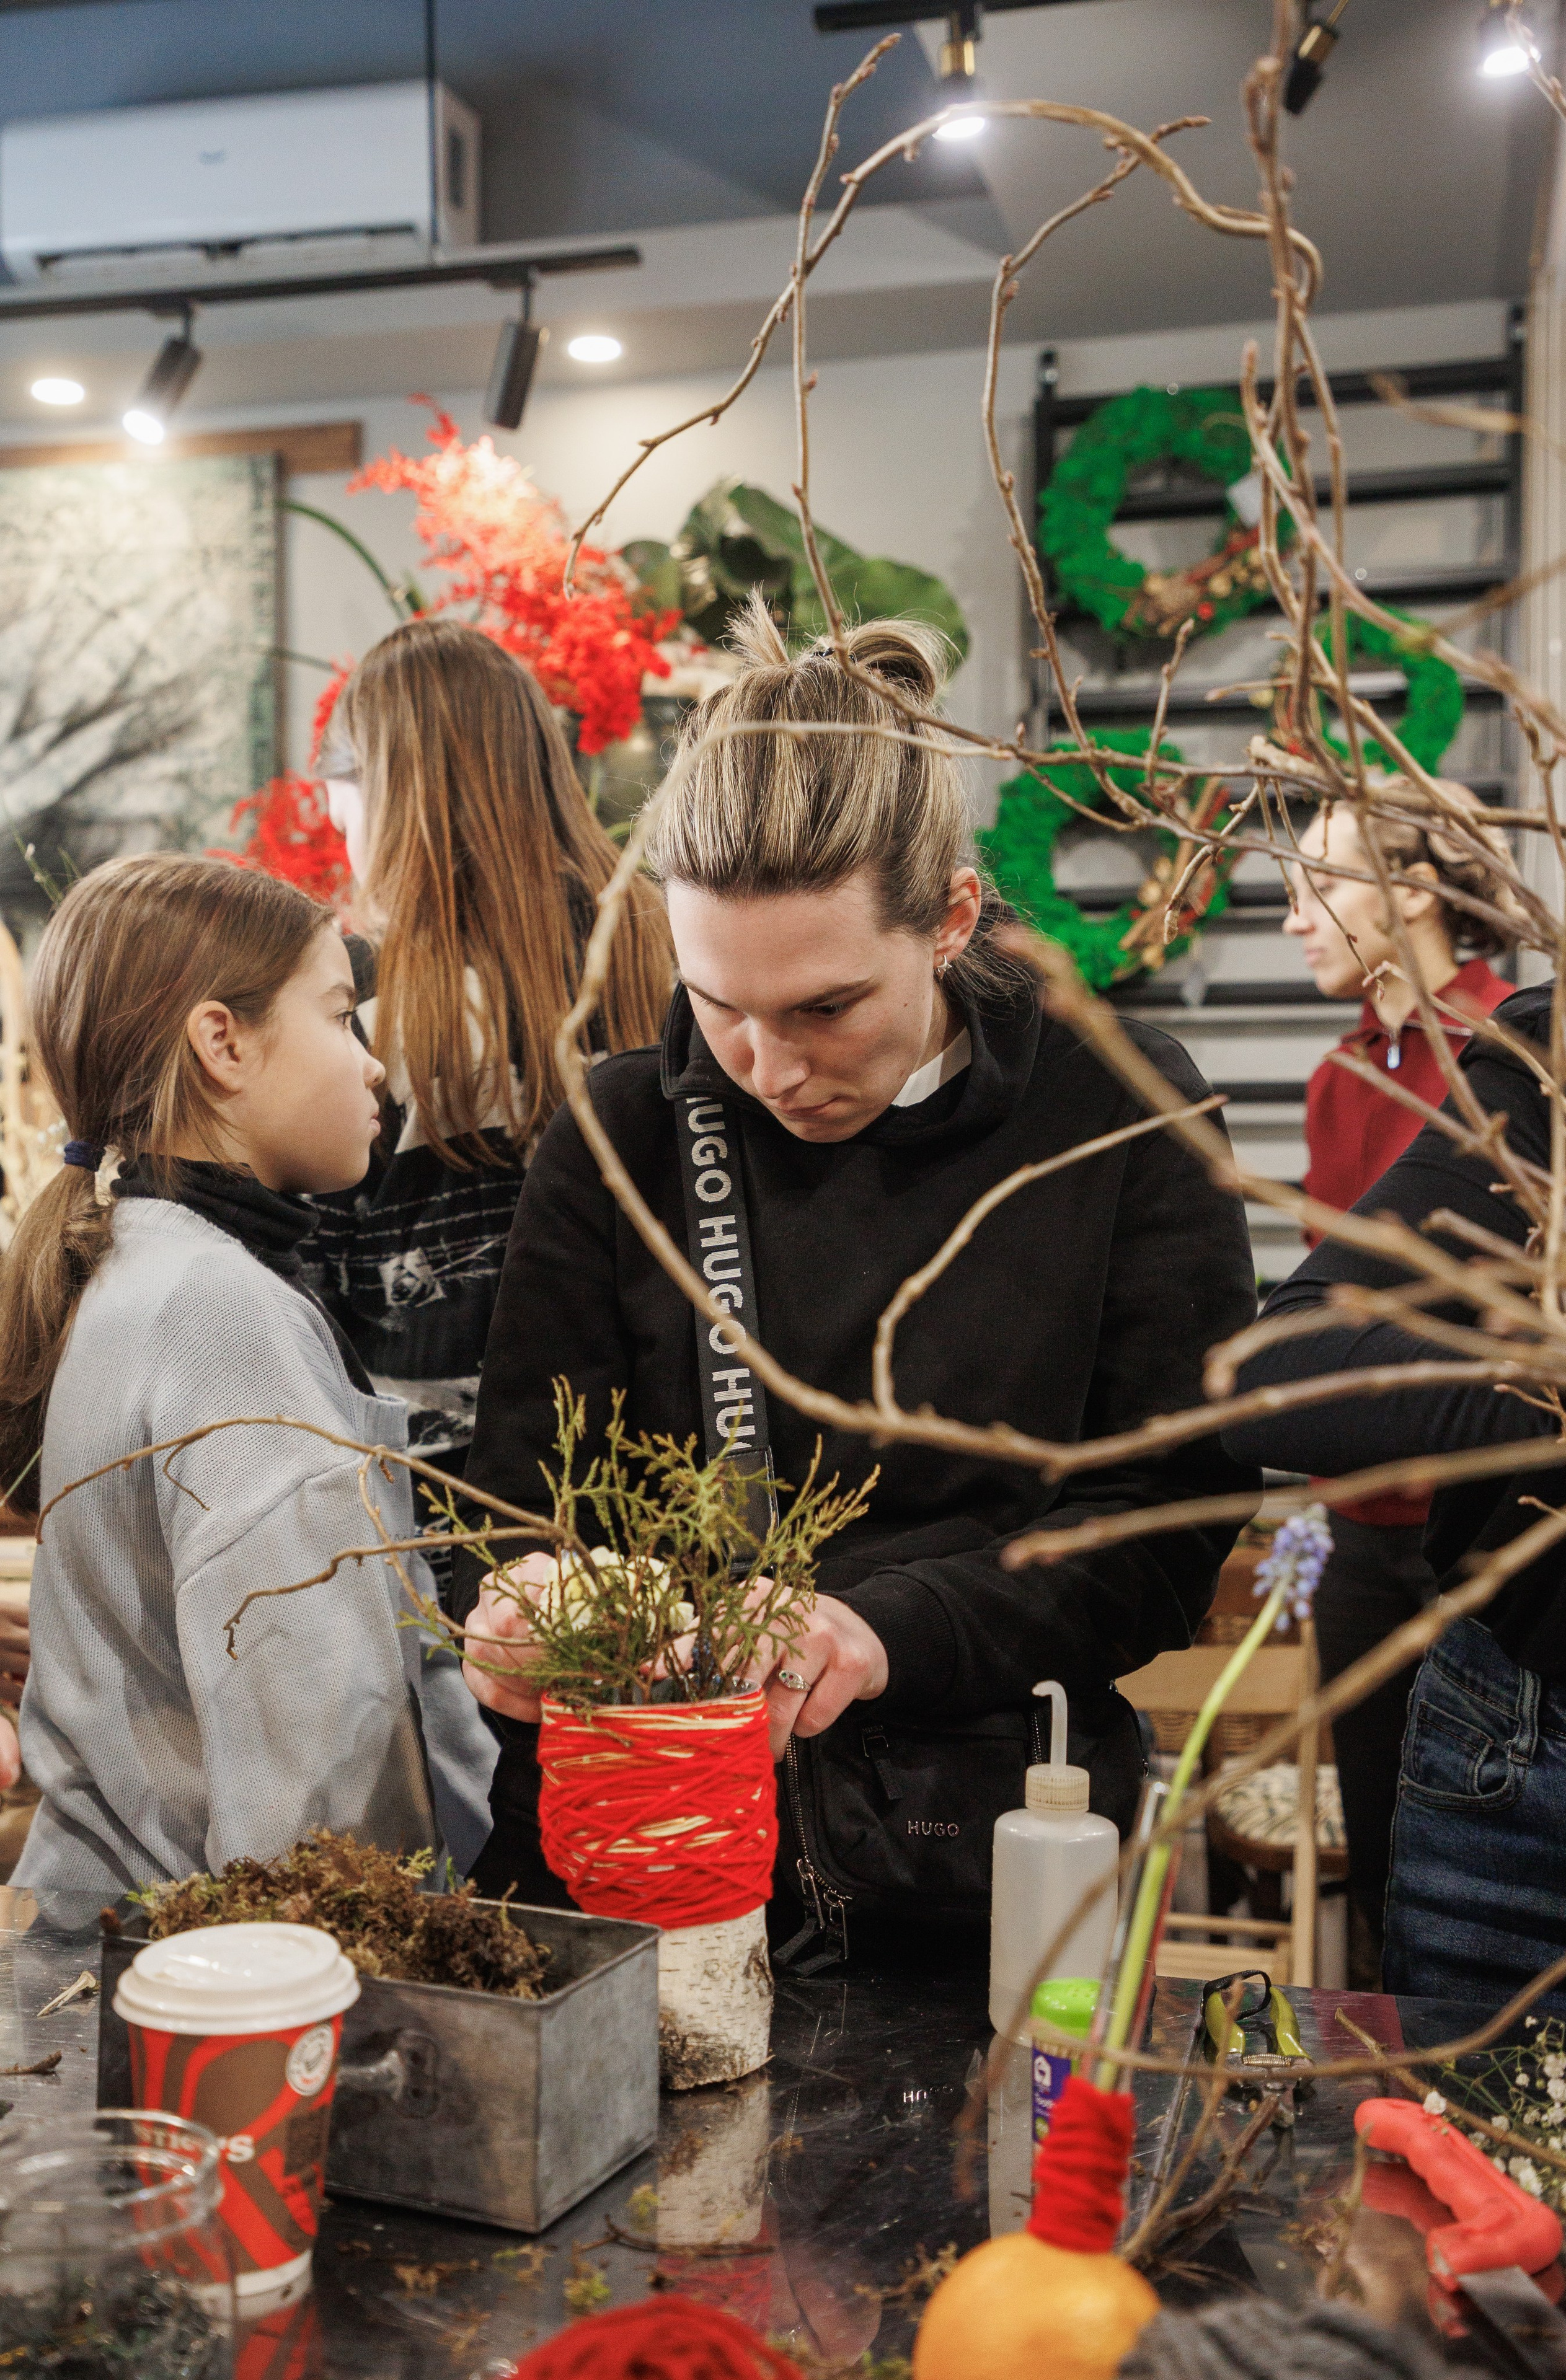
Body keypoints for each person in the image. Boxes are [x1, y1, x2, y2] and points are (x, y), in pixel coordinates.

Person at [457, 601, 1261, 1934]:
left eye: (825, 1008)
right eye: (718, 1005)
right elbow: (515, 1506)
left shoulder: (1116, 1106)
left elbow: (1166, 1526)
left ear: (948, 919)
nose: (770, 1069)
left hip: (968, 1854)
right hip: (636, 1841)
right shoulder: (622, 1132)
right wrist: (522, 1600)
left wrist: (882, 1630)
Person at [0, 852, 497, 1895]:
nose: (372, 1066)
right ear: (222, 1042)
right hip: (225, 1956)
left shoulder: (134, 1264)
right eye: (340, 1017)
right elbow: (318, 1766)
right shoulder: (221, 1314)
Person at [1219, 958, 1566, 2007]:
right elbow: (1291, 1349)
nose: (1294, 922)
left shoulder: (1470, 1032)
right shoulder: (1535, 1057)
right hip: (1512, 1701)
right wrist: (1554, 1403)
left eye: (1317, 889)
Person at [307, 618, 673, 1487]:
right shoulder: (659, 947)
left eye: (339, 778)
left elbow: (304, 1280)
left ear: (384, 786)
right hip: (637, 1472)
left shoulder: (361, 1003)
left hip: (425, 1495)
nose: (332, 810)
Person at [1281, 777, 1520, 1980]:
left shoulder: (1510, 1050)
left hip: (1485, 1531)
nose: (1294, 918)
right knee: (1380, 1858)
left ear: (1414, 890)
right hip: (1355, 1537)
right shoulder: (1337, 1076)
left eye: (1318, 885)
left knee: (1491, 1864)